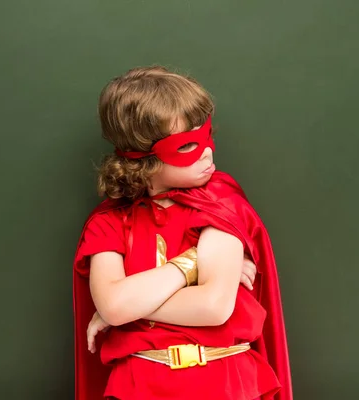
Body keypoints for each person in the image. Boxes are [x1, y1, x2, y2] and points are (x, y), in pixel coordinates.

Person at [72, 66, 292, 400]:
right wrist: (192, 263)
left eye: (207, 135)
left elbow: (214, 306)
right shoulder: (108, 223)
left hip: (224, 382)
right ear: (143, 159)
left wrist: (121, 308)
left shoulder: (220, 202)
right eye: (188, 145)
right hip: (139, 385)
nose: (208, 151)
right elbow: (116, 305)